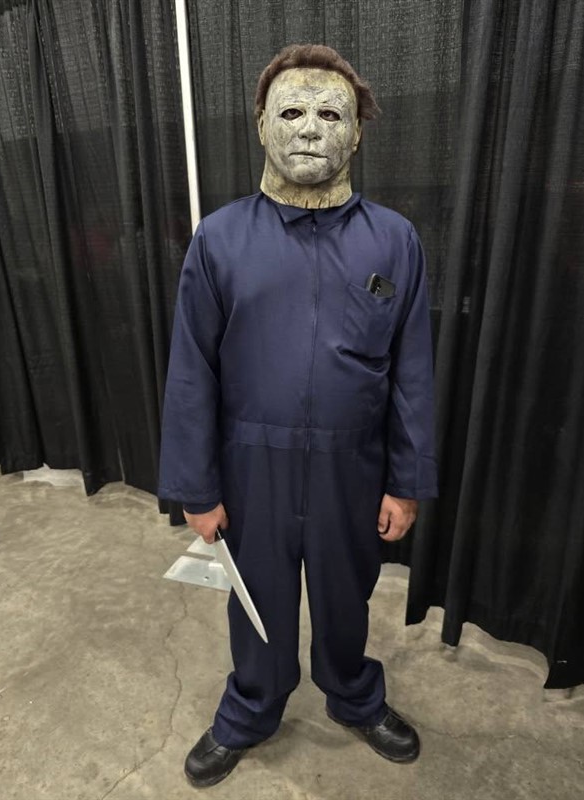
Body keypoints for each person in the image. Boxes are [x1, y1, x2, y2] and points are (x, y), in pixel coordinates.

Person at [158, 44, 437, 788]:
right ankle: (251, 709)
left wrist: (406, 482)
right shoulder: (220, 240)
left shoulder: (394, 241)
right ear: (260, 126)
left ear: (358, 134)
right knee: (258, 602)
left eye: (330, 114)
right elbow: (191, 372)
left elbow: (412, 372)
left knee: (348, 594)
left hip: (354, 464)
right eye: (291, 111)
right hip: (252, 466)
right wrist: (196, 489)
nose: (310, 128)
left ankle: (354, 695)